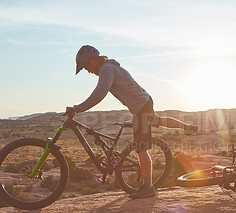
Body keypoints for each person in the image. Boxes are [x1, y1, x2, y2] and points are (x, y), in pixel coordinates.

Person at [67, 45, 198, 199]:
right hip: (144, 103)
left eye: (86, 66)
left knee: (141, 148)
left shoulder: (106, 70)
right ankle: (186, 126)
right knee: (156, 121)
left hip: (142, 106)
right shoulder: (110, 67)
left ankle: (148, 187)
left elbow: (99, 93)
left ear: (92, 60)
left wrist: (77, 108)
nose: (88, 71)